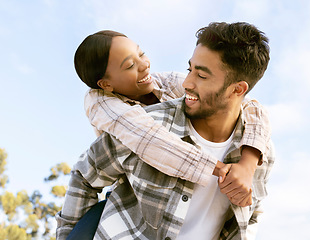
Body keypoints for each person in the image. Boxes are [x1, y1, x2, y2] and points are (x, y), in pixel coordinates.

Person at [56, 22, 274, 240]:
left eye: (201, 75)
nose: (187, 82)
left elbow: (252, 107)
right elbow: (149, 140)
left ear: (238, 89)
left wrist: (248, 164)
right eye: (130, 65)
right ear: (106, 84)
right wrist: (217, 169)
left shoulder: (258, 150)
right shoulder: (113, 112)